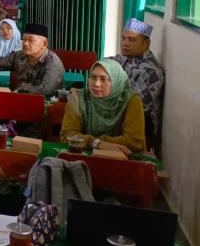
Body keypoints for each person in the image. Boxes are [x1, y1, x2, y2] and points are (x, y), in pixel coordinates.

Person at [60, 59, 146, 154]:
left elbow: (134, 141)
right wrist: (97, 143)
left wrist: (92, 141)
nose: (96, 84)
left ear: (116, 81)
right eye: (92, 77)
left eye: (103, 79)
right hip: (85, 156)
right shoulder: (79, 98)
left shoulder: (131, 100)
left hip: (124, 157)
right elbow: (67, 135)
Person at [108, 18, 165, 146]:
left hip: (141, 124)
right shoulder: (128, 58)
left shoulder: (151, 71)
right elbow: (105, 64)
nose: (125, 43)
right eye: (124, 38)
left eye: (132, 40)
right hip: (122, 114)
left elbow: (134, 106)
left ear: (146, 43)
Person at [0, 23, 65, 96]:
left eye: (31, 40)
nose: (25, 43)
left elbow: (47, 90)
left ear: (44, 44)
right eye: (24, 39)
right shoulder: (19, 56)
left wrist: (19, 90)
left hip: (46, 106)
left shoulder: (53, 63)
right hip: (19, 100)